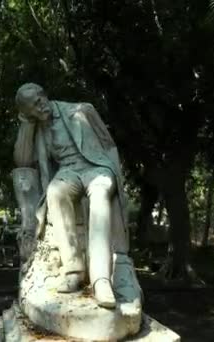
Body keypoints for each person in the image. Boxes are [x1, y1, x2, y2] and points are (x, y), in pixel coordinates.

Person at [13, 83, 129, 308]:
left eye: (40, 99)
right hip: (69, 171)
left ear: (45, 94)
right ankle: (73, 270)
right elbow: (22, 160)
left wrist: (115, 174)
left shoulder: (81, 110)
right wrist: (26, 123)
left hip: (96, 167)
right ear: (28, 113)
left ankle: (101, 279)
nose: (41, 106)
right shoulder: (37, 128)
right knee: (55, 193)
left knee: (100, 193)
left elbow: (108, 145)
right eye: (34, 107)